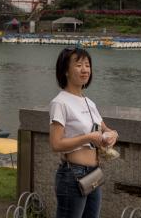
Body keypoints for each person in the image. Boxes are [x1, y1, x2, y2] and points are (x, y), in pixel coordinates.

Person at [49, 47, 118, 218]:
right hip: (72, 174)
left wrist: (112, 135)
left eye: (87, 65)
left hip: (93, 173)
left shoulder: (89, 102)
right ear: (65, 70)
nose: (85, 69)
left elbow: (104, 129)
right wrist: (87, 137)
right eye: (79, 65)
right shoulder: (60, 103)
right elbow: (56, 144)